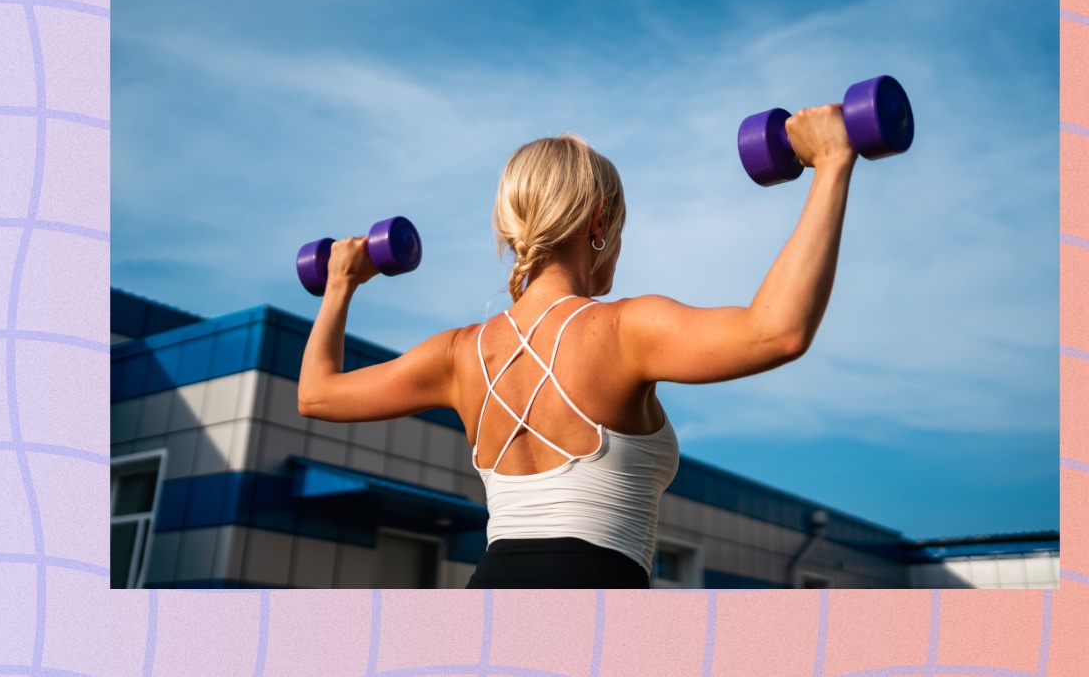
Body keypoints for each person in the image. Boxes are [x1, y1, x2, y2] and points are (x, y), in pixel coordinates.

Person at [297, 104, 857, 589]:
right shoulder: (625, 329)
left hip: (485, 611)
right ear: (598, 221)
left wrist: (341, 284)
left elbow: (317, 396)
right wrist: (831, 161)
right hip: (598, 614)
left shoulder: (458, 355)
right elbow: (776, 331)